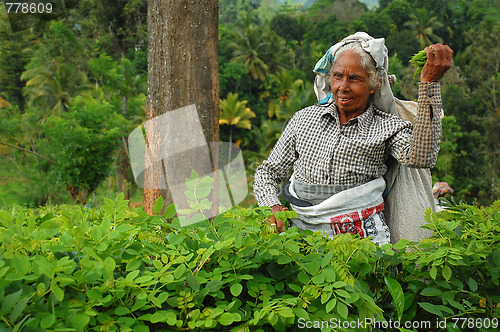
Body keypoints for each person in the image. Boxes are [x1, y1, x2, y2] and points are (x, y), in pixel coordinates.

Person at [253, 32, 453, 245]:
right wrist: (272, 207)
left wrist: (429, 83)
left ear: (374, 84)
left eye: (355, 78)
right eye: (338, 76)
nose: (343, 87)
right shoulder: (304, 119)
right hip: (302, 241)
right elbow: (268, 172)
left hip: (363, 248)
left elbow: (422, 158)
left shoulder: (387, 127)